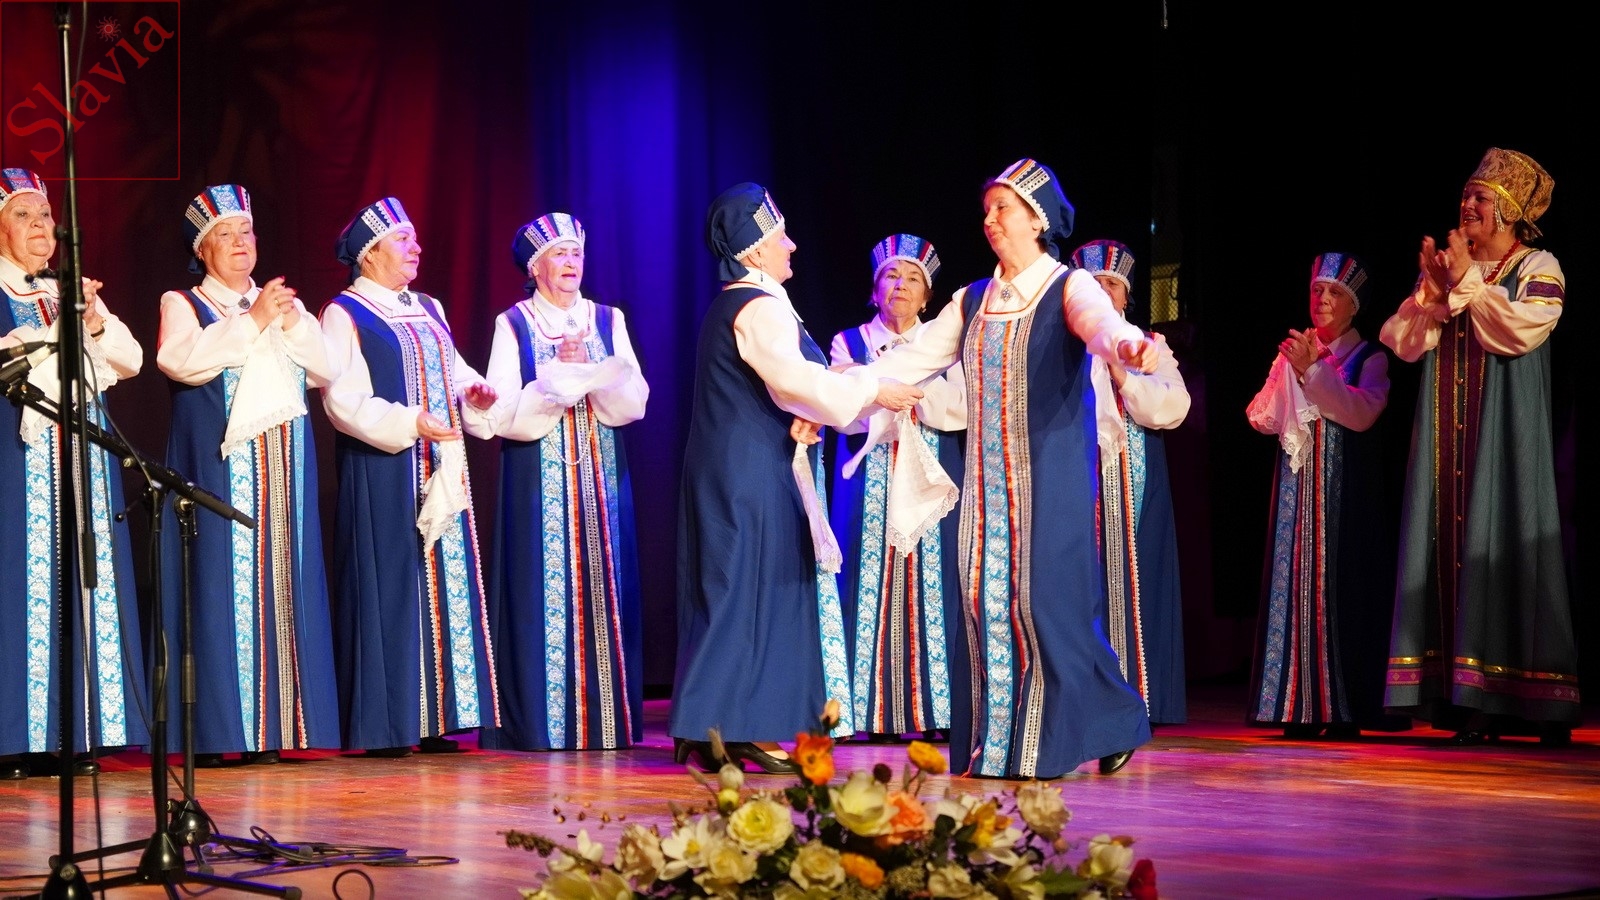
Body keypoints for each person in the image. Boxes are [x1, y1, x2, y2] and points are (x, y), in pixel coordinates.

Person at [868, 159, 1160, 779]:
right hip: (986, 483)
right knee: (983, 599)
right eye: (988, 210)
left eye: (1003, 208)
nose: (991, 219)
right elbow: (912, 360)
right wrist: (841, 391)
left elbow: (1102, 326)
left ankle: (1047, 742)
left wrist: (1128, 346)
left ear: (1037, 219)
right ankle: (1015, 739)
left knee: (1045, 604)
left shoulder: (1067, 287)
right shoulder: (972, 298)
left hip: (1051, 479)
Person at [670, 182, 923, 774]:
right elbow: (792, 379)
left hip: (740, 460)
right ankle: (741, 728)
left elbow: (784, 390)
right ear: (754, 250)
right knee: (751, 588)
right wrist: (873, 386)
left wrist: (808, 413)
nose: (792, 245)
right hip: (749, 468)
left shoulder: (743, 303)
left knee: (734, 588)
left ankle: (707, 726)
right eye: (780, 236)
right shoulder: (759, 305)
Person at [1380, 148, 1579, 745]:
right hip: (1446, 442)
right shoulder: (1452, 270)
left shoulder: (1537, 265)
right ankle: (1464, 696)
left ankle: (1533, 701)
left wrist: (1463, 281)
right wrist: (1431, 291)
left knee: (1510, 542)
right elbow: (1405, 343)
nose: (1467, 204)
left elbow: (1519, 330)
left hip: (1504, 440)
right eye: (1467, 194)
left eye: (1481, 197)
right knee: (1446, 543)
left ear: (1510, 211)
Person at [154, 184, 341, 766]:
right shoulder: (184, 303)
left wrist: (288, 322)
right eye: (225, 234)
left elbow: (327, 369)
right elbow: (180, 363)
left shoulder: (279, 303)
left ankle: (276, 728)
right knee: (218, 590)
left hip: (285, 472)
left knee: (286, 584)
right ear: (202, 248)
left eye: (246, 231)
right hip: (218, 469)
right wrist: (251, 322)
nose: (240, 242)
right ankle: (219, 734)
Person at [320, 197, 501, 758]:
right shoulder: (345, 312)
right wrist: (409, 421)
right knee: (391, 584)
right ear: (370, 253)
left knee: (442, 585)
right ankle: (386, 725)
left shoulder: (427, 306)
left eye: (414, 238)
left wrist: (474, 393)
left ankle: (436, 719)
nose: (416, 248)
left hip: (439, 466)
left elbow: (454, 371)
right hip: (385, 466)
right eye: (403, 240)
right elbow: (342, 399)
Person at [480, 212, 647, 751]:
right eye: (559, 253)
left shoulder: (608, 320)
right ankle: (542, 724)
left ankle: (607, 722)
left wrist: (591, 371)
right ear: (535, 267)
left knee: (606, 585)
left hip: (601, 475)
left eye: (576, 252)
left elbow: (635, 400)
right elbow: (502, 412)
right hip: (537, 478)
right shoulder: (514, 323)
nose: (571, 262)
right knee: (540, 591)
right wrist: (555, 379)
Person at [0, 167, 146, 780]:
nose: (41, 226)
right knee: (21, 581)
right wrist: (61, 331)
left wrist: (93, 321)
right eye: (24, 215)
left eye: (45, 215)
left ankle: (80, 731)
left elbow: (131, 359)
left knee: (83, 578)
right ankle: (16, 737)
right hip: (17, 456)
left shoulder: (72, 290)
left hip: (82, 456)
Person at [1245, 252, 1403, 739]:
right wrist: (1287, 375)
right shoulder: (1293, 352)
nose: (1323, 299)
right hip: (1296, 497)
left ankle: (1343, 709)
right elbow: (1260, 417)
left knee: (1341, 592)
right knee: (1294, 589)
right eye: (1317, 290)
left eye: (1335, 292)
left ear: (1355, 305)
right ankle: (1297, 706)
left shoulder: (1369, 358)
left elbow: (1361, 413)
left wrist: (1313, 372)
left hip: (1344, 497)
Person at [827, 233, 967, 744]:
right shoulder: (849, 343)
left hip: (932, 471)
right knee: (864, 579)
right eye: (891, 275)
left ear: (928, 295)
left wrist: (894, 393)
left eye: (913, 278)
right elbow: (843, 408)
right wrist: (893, 393)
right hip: (868, 475)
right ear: (875, 287)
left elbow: (960, 408)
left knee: (933, 581)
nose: (901, 285)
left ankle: (934, 710)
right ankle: (865, 712)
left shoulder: (947, 345)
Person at [1070, 239, 1189, 727]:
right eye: (1093, 284)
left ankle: (1141, 700)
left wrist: (1124, 376)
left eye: (1112, 285)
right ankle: (1081, 702)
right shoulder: (1063, 349)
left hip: (1138, 482)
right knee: (1077, 584)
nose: (1103, 292)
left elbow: (1173, 408)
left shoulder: (1149, 345)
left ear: (1125, 296)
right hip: (1076, 480)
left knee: (1138, 581)